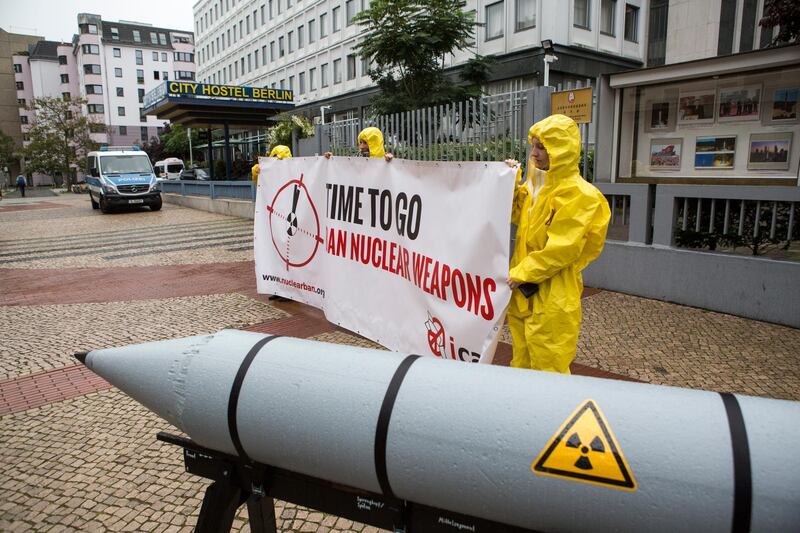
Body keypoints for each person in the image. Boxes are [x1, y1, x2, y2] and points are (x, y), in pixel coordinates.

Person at [505, 114, 610, 374]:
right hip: (522, 292)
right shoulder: (536, 185)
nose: (534, 154)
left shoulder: (579, 195)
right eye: (533, 146)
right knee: (521, 362)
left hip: (553, 296)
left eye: (542, 147)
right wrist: (507, 183)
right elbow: (517, 215)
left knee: (549, 368)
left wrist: (521, 272)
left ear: (561, 150)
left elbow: (562, 249)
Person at [324, 126, 394, 161]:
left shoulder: (384, 160)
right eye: (360, 142)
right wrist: (332, 159)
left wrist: (390, 161)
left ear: (375, 144)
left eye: (365, 143)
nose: (361, 146)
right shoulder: (356, 159)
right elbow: (345, 169)